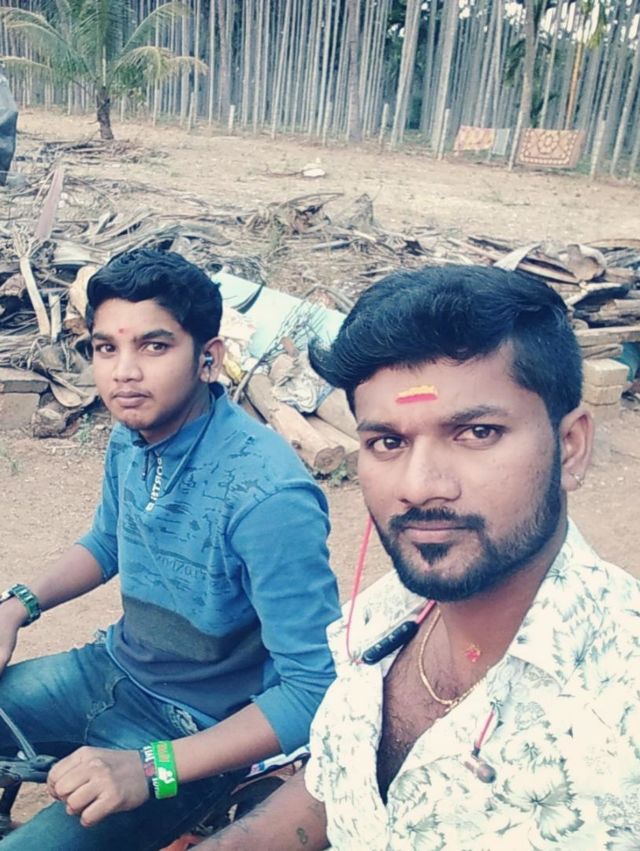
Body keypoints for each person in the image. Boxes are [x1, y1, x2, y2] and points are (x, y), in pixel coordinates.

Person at [200, 264, 640, 850]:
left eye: (477, 433)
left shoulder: (621, 716)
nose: (419, 487)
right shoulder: (381, 618)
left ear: (570, 447)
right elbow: (338, 785)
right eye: (388, 442)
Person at [0, 249, 340, 849]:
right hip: (107, 669)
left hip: (194, 732)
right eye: (107, 348)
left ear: (209, 358)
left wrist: (152, 768)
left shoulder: (268, 497)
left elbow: (314, 690)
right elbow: (108, 540)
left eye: (154, 346)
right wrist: (14, 607)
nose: (124, 372)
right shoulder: (132, 436)